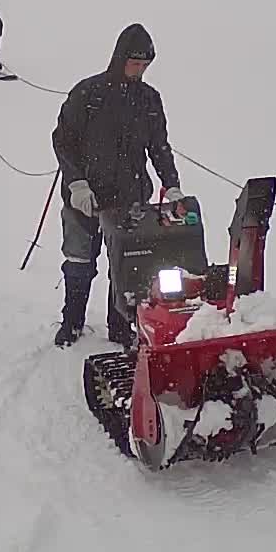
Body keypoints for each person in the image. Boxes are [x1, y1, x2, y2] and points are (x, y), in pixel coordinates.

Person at [52, 24, 183, 347]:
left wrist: (173, 186)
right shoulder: (88, 93)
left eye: (145, 66)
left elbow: (159, 147)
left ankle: (121, 325)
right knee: (80, 262)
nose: (139, 72)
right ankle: (72, 322)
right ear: (119, 58)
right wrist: (77, 184)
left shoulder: (149, 99)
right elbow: (63, 141)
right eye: (134, 64)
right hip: (86, 197)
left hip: (130, 197)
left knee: (126, 267)